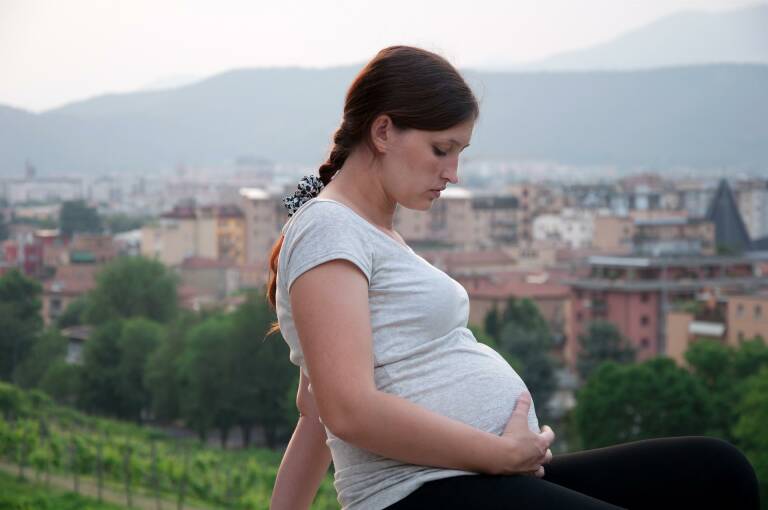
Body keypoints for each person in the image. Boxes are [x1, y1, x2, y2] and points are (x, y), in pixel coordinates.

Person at [267, 46, 759, 510]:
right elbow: (346, 411)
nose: (453, 172)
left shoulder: (369, 232)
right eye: (442, 149)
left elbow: (315, 410)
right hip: (418, 492)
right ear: (382, 132)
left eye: (460, 152)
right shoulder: (328, 226)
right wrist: (497, 454)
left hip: (471, 478)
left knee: (717, 471)